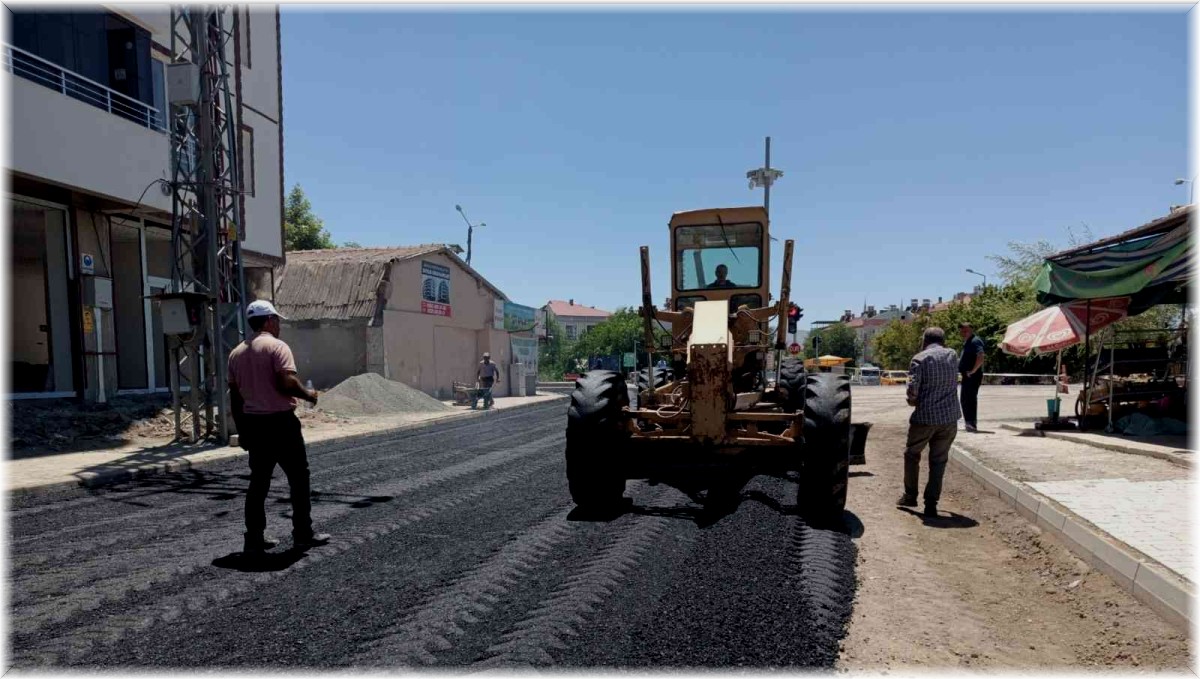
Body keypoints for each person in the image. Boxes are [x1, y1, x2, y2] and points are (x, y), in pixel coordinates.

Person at [228, 300, 330, 555]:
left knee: (258, 483)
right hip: (281, 423)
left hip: (253, 424)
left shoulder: (236, 353)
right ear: (269, 321)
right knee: (298, 478)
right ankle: (303, 534)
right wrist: (309, 395)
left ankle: (253, 539)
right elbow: (286, 382)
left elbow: (235, 398)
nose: (279, 325)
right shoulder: (277, 347)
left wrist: (242, 431)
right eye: (277, 320)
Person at [899, 326, 961, 518]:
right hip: (949, 419)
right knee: (939, 461)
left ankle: (910, 495)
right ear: (943, 340)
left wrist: (912, 400)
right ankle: (931, 503)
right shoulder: (952, 355)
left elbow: (912, 392)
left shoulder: (919, 359)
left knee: (912, 454)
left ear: (924, 340)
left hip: (925, 418)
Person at [958, 322, 986, 432]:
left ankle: (971, 424)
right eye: (962, 331)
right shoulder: (967, 342)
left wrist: (973, 370)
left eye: (966, 330)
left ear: (971, 330)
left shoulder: (975, 341)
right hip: (967, 376)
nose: (963, 333)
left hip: (972, 376)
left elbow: (981, 355)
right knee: (965, 399)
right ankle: (969, 423)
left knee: (969, 399)